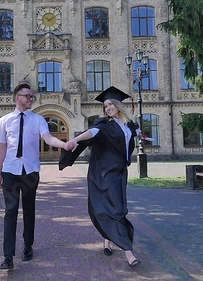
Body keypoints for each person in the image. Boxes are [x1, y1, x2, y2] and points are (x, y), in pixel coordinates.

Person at [59, 86, 142, 268]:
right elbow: (92, 132)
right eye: (105, 105)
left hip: (120, 172)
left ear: (119, 105)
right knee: (116, 209)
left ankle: (107, 239)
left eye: (111, 104)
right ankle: (129, 252)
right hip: (105, 173)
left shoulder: (127, 125)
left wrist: (139, 134)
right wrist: (75, 140)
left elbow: (130, 136)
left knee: (117, 206)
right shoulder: (104, 124)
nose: (108, 108)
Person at [0, 83, 73, 270]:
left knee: (29, 210)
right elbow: (1, 148)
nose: (31, 99)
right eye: (28, 96)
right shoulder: (4, 121)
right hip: (10, 171)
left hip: (30, 172)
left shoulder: (38, 120)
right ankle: (8, 256)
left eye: (32, 97)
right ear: (17, 97)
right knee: (10, 211)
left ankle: (28, 246)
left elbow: (48, 138)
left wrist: (63, 145)